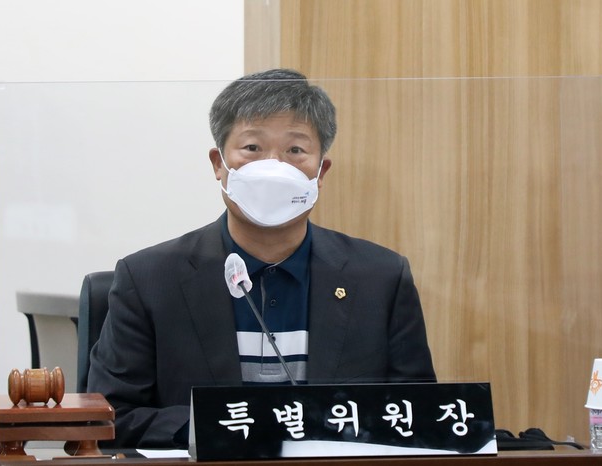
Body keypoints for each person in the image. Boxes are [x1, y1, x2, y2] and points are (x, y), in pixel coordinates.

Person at [87, 68, 435, 448]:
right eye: (252, 148)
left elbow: (418, 416)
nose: (274, 168)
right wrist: (222, 426)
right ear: (218, 164)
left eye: (295, 151)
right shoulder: (149, 279)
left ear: (321, 171)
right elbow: (109, 418)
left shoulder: (380, 279)